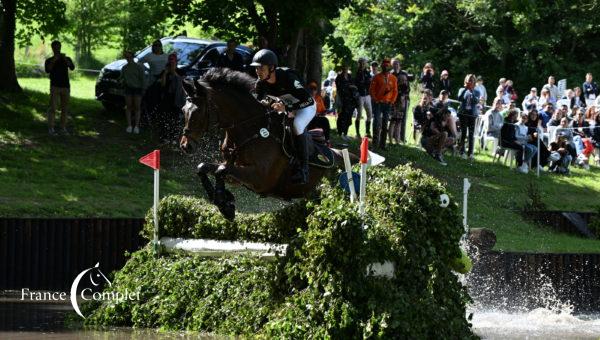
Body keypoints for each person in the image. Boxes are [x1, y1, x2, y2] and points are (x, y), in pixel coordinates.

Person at [252, 49, 315, 184]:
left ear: (272, 68)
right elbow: (256, 103)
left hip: (306, 107)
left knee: (297, 125)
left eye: (261, 68)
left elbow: (308, 100)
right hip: (287, 107)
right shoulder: (261, 83)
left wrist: (286, 108)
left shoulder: (288, 77)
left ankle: (304, 170)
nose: (258, 71)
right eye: (256, 68)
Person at [44, 40, 75, 135]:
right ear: (53, 49)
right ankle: (51, 128)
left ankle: (63, 128)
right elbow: (47, 70)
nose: (57, 49)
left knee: (64, 109)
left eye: (59, 47)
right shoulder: (49, 60)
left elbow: (72, 67)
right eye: (55, 47)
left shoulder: (67, 58)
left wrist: (66, 60)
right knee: (53, 108)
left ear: (60, 47)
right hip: (54, 86)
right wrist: (54, 61)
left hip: (65, 86)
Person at [369, 58, 398, 150]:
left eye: (387, 65)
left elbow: (395, 91)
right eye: (384, 65)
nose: (385, 67)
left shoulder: (393, 78)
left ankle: (383, 144)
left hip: (388, 104)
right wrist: (376, 100)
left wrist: (392, 101)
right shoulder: (376, 77)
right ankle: (374, 143)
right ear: (381, 66)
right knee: (377, 123)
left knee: (385, 124)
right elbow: (371, 90)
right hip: (378, 103)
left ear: (389, 67)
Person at [157, 53, 186, 144]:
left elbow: (182, 82)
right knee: (166, 118)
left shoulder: (181, 71)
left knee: (176, 118)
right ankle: (164, 136)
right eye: (170, 61)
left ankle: (174, 137)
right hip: (167, 98)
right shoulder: (164, 72)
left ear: (176, 62)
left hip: (177, 98)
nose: (172, 63)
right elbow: (162, 85)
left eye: (173, 61)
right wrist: (165, 74)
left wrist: (174, 72)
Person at [500, 110, 536, 174]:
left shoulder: (526, 128)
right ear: (520, 118)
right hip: (517, 142)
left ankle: (524, 164)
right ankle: (522, 165)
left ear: (527, 120)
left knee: (535, 148)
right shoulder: (516, 126)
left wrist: (529, 139)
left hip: (524, 142)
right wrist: (526, 137)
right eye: (523, 118)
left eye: (525, 119)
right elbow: (515, 137)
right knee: (529, 149)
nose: (523, 120)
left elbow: (525, 137)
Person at [120, 51, 145, 134]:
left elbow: (143, 79)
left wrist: (143, 89)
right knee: (128, 106)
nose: (128, 58)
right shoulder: (124, 68)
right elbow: (121, 78)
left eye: (129, 57)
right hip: (128, 89)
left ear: (133, 57)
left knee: (137, 107)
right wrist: (122, 81)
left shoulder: (139, 67)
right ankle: (129, 126)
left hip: (137, 89)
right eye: (126, 57)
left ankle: (136, 126)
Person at [457, 74, 480, 160]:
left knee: (471, 133)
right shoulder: (462, 89)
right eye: (468, 80)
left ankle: (470, 153)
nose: (470, 82)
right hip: (463, 113)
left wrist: (471, 91)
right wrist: (466, 90)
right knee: (463, 132)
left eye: (472, 81)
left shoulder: (477, 91)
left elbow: (476, 101)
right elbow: (459, 99)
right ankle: (461, 151)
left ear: (474, 82)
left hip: (472, 114)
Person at [389, 58, 411, 144]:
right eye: (394, 64)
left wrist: (405, 95)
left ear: (399, 65)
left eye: (397, 64)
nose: (395, 65)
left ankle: (397, 140)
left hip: (402, 100)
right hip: (393, 100)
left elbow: (408, 87)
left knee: (399, 121)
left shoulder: (404, 74)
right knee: (393, 120)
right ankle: (390, 140)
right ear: (392, 65)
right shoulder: (390, 74)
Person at [335, 64, 357, 140]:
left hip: (351, 100)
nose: (345, 68)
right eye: (344, 67)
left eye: (347, 66)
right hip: (342, 100)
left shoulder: (350, 76)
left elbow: (354, 86)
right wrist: (349, 86)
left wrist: (351, 86)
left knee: (349, 117)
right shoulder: (339, 77)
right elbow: (340, 88)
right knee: (342, 116)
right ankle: (340, 133)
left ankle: (345, 133)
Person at [354, 58, 373, 138]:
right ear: (359, 63)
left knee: (370, 114)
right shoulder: (356, 73)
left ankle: (367, 132)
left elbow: (370, 82)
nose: (363, 64)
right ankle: (357, 133)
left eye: (364, 63)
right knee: (359, 114)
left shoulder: (367, 72)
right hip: (360, 95)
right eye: (361, 63)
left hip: (367, 95)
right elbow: (355, 84)